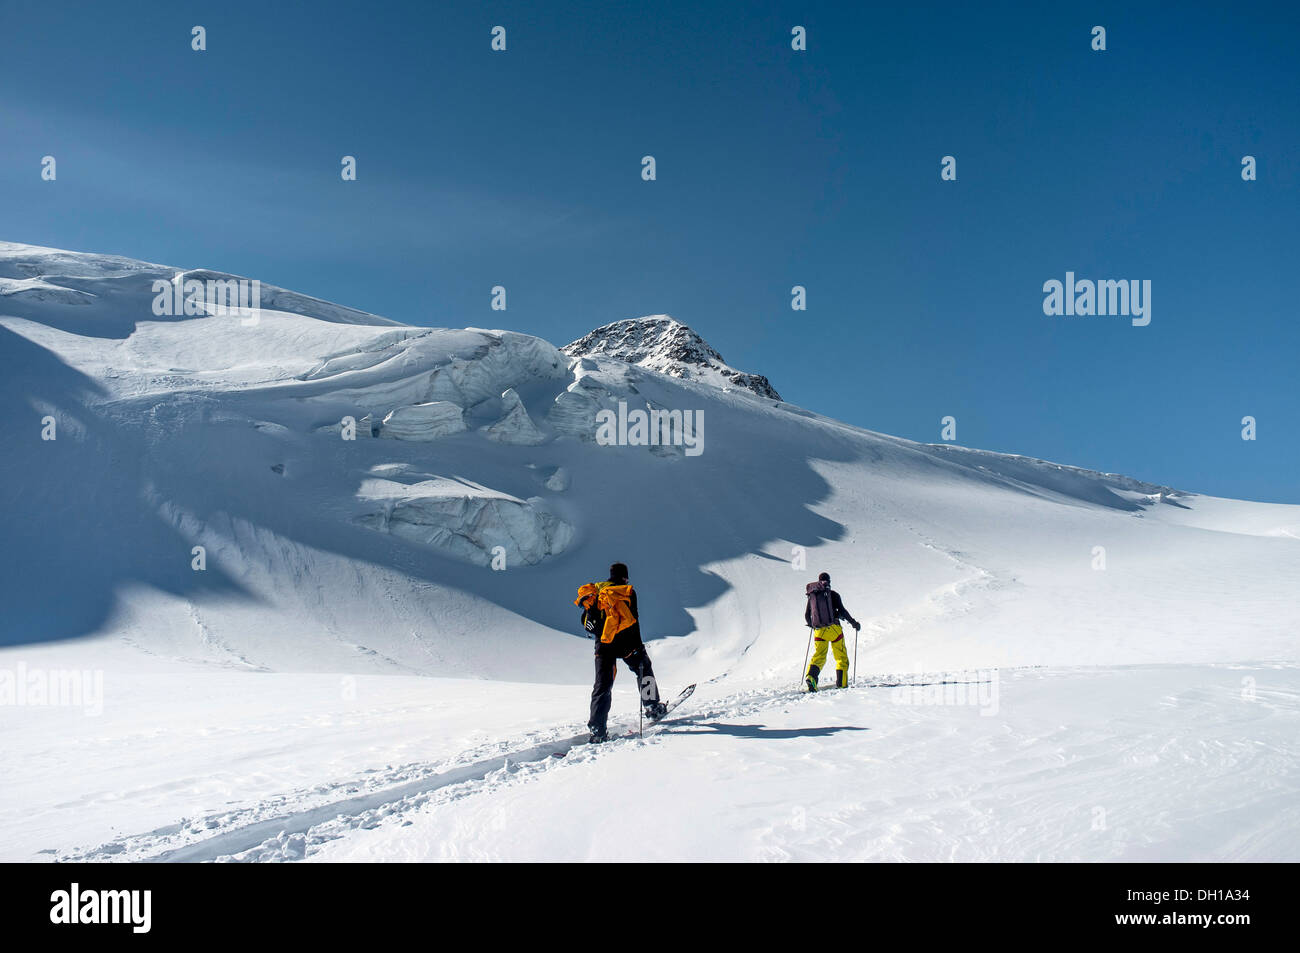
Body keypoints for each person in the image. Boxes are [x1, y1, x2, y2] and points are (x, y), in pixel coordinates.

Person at [575, 562, 667, 742]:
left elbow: (588, 620)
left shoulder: (597, 592)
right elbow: (633, 619)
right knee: (644, 670)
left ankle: (597, 728)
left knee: (602, 685)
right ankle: (652, 707)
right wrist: (639, 647)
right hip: (628, 644)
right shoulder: (627, 592)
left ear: (610, 575)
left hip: (603, 645)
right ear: (625, 576)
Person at [804, 571, 860, 691]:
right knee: (841, 657)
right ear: (829, 581)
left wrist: (812, 625)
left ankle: (811, 677)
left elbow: (807, 615)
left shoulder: (812, 596)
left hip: (819, 631)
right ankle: (842, 683)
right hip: (834, 630)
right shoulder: (833, 594)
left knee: (819, 656)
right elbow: (843, 611)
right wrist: (854, 623)